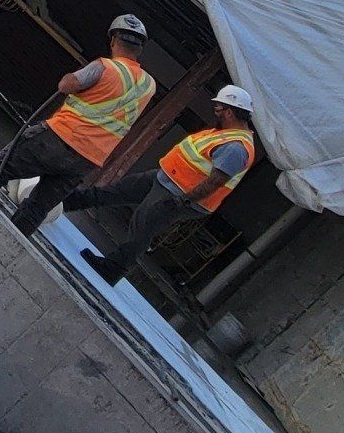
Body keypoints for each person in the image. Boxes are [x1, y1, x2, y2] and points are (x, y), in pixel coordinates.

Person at [0, 13, 156, 236]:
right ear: (140, 47)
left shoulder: (105, 67)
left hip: (57, 139)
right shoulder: (149, 85)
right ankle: (10, 247)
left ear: (114, 40)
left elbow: (66, 85)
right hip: (87, 159)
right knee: (37, 209)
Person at [67, 86, 259, 284]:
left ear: (229, 112)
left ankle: (113, 268)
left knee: (143, 224)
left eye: (219, 108)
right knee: (119, 191)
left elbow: (214, 183)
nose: (216, 111)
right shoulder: (225, 134)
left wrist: (183, 201)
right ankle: (66, 202)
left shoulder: (236, 148)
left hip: (180, 194)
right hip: (166, 179)